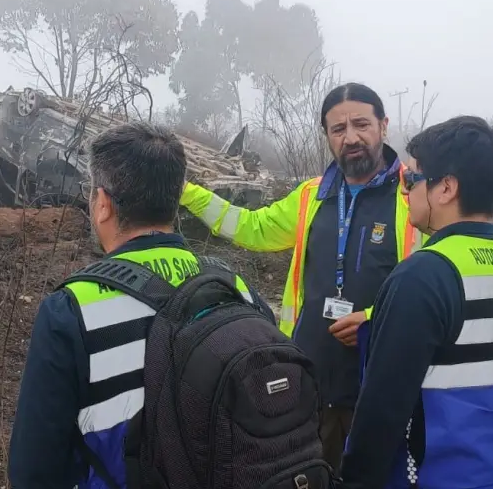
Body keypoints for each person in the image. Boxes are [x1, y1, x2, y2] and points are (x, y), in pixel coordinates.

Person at [8, 121, 286, 489]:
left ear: (103, 204)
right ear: (175, 200)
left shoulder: (72, 311)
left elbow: (34, 472)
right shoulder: (237, 288)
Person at [179, 82, 426, 472]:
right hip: (309, 382)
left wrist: (375, 317)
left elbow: (434, 283)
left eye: (361, 124)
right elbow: (251, 227)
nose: (351, 137)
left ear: (383, 125)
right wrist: (188, 193)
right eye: (338, 129)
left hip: (381, 385)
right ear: (327, 137)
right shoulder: (312, 195)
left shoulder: (416, 196)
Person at [338, 116, 493, 489]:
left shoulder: (425, 275)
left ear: (446, 187)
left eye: (410, 179)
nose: (403, 192)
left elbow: (382, 411)